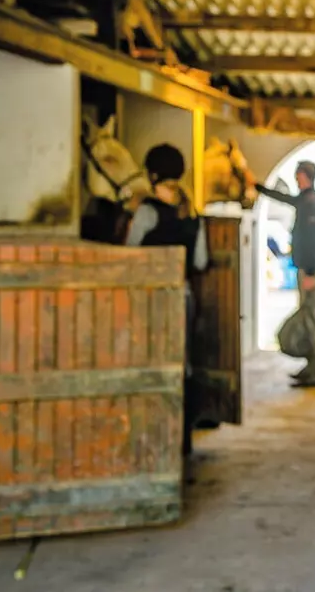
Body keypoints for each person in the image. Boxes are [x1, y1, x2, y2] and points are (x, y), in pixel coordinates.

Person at [124, 143, 209, 455]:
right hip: (182, 295)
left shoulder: (147, 212)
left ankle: (151, 437)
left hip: (147, 298)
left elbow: (129, 254)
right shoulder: (193, 214)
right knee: (182, 365)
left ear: (152, 174)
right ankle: (182, 439)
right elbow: (200, 261)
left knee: (147, 363)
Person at [254, 161, 315, 388]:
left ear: (305, 176)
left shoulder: (312, 203)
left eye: (298, 175)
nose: (296, 179)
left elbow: (314, 240)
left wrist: (312, 273)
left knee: (310, 322)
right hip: (308, 269)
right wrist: (258, 187)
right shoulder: (306, 200)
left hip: (311, 271)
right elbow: (284, 199)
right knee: (308, 321)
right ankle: (312, 368)